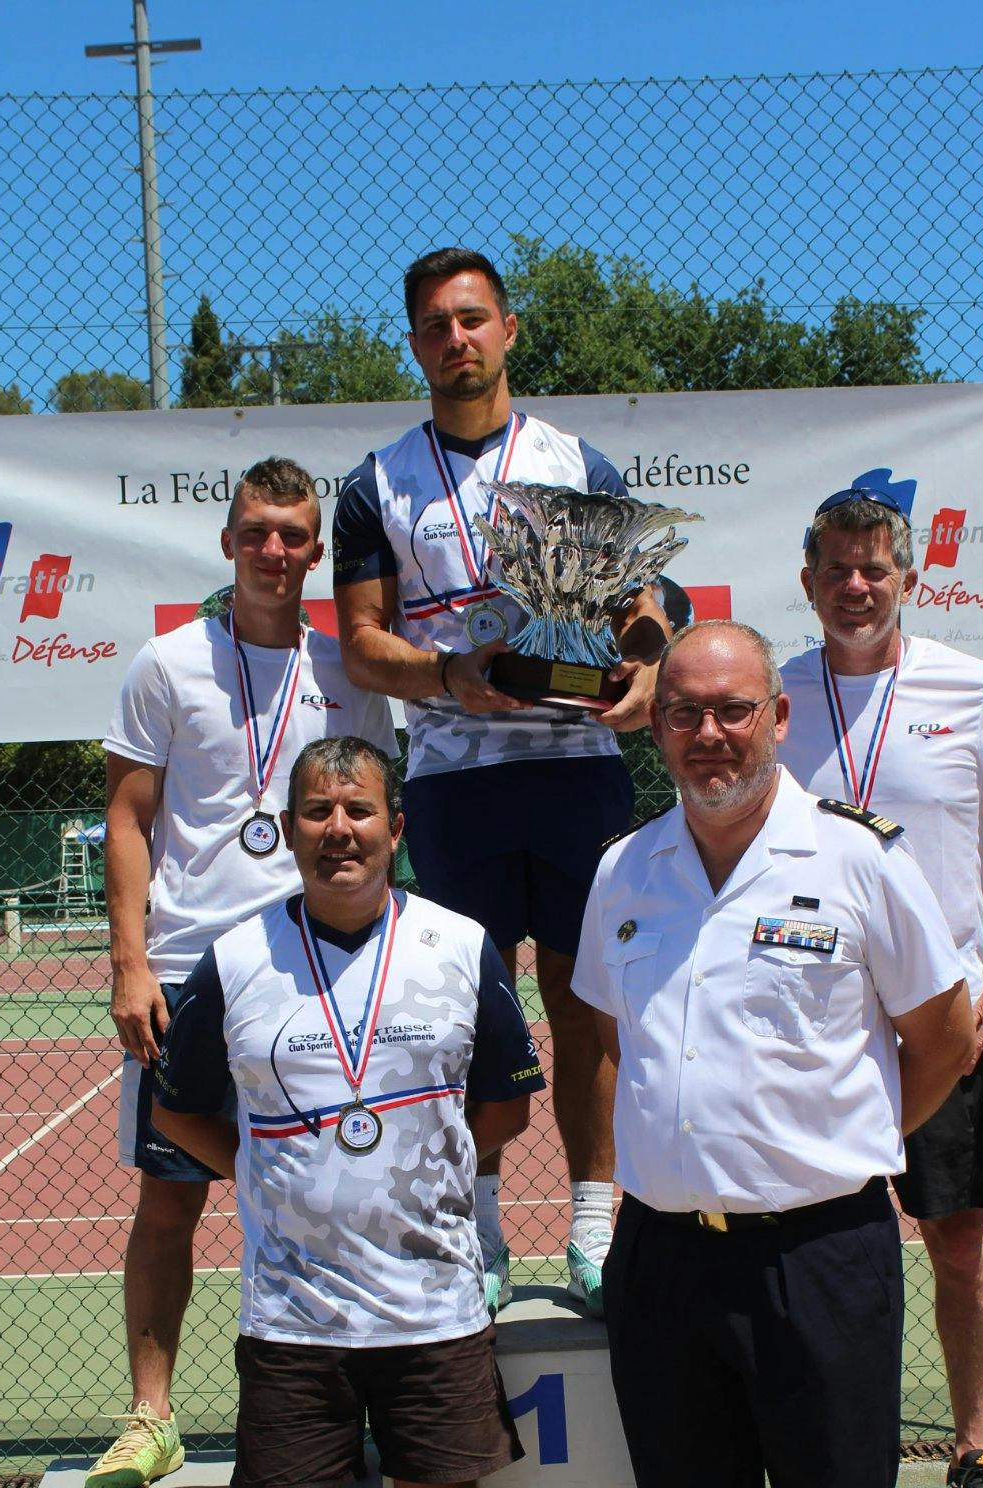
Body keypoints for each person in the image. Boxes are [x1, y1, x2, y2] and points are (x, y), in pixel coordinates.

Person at [569, 620, 974, 1488]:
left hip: (823, 1252)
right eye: (684, 712)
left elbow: (944, 1031)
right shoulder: (624, 869)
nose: (709, 734)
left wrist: (852, 1144)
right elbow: (595, 1036)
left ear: (778, 718)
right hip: (665, 1258)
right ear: (657, 725)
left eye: (734, 710)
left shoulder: (852, 861)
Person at [151, 735, 551, 1488]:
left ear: (395, 828)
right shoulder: (234, 958)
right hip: (294, 1313)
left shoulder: (460, 946)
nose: (340, 830)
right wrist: (277, 1180)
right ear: (290, 826)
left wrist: (403, 1187)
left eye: (360, 810)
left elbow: (506, 1108)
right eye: (319, 810)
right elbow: (178, 1109)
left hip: (430, 1301)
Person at [332, 246, 668, 1318]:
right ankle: (476, 1228)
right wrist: (446, 676)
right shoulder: (376, 483)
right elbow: (360, 644)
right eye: (435, 325)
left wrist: (651, 664)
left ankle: (590, 1225)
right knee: (467, 1016)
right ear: (415, 343)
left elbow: (643, 600)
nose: (456, 340)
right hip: (453, 776)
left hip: (575, 768)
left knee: (585, 1010)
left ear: (509, 329)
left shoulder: (577, 463)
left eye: (472, 319)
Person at [779, 485, 983, 1488]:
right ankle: (821, 1462)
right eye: (838, 568)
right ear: (809, 580)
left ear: (907, 575)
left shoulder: (975, 685)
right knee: (808, 1245)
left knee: (956, 1238)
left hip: (940, 1020)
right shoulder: (774, 701)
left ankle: (971, 1455)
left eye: (877, 566)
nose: (857, 585)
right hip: (813, 1021)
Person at [85, 459, 395, 1488]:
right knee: (170, 1199)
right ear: (228, 542)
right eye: (257, 530)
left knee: (324, 1198)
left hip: (313, 966)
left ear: (317, 551)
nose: (275, 550)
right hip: (187, 969)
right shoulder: (167, 664)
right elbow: (129, 820)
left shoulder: (348, 670)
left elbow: (376, 817)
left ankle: (333, 1411)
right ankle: (152, 1416)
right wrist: (129, 962)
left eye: (294, 534)